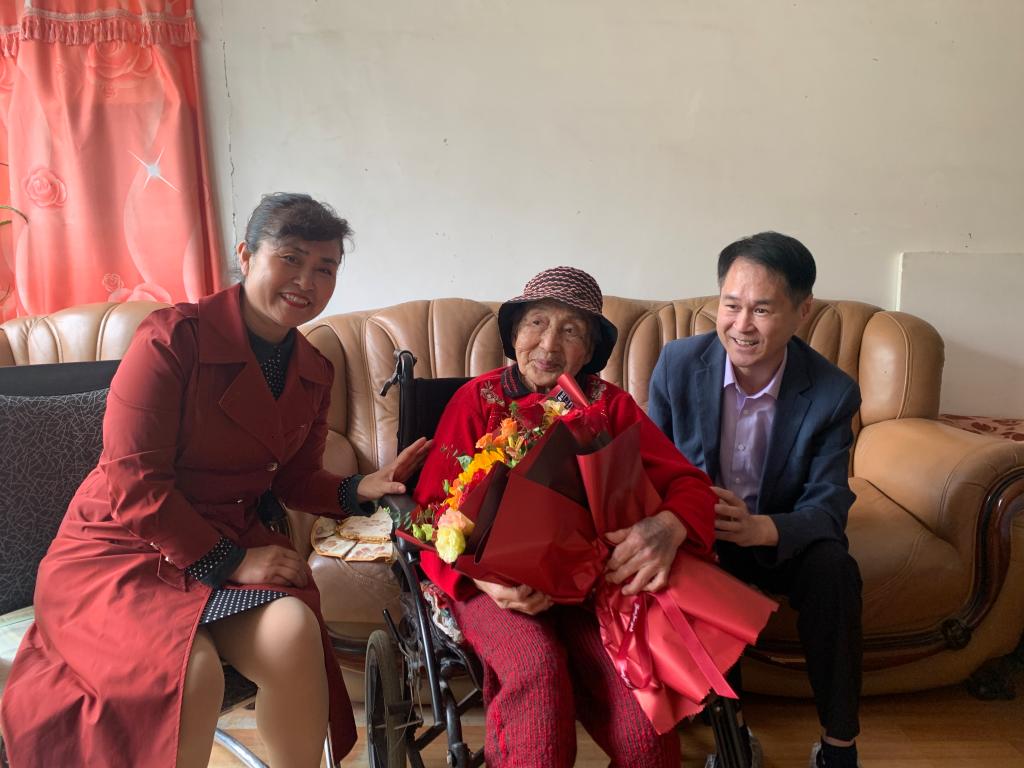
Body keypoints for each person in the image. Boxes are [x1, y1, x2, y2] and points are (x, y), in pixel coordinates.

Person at [0, 193, 430, 768]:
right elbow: (134, 481)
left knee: (293, 632)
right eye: (291, 258)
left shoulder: (313, 369)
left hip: (228, 539)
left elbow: (294, 479)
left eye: (325, 268)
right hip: (122, 549)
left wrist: (356, 490)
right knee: (191, 676)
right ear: (246, 255)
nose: (307, 281)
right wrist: (231, 561)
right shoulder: (171, 339)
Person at [414, 266, 717, 768]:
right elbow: (430, 513)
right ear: (515, 334)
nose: (549, 344)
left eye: (571, 330)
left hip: (588, 590)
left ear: (589, 349)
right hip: (491, 588)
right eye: (536, 323)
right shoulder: (476, 401)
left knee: (645, 729)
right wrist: (485, 581)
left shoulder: (610, 407)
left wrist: (667, 526)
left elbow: (689, 486)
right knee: (537, 668)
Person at [648, 232, 863, 768]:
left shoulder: (832, 391)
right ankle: (733, 736)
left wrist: (758, 528)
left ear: (802, 312)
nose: (742, 325)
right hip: (699, 534)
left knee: (836, 570)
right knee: (688, 569)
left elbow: (828, 504)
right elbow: (647, 469)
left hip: (777, 532)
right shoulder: (677, 364)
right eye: (731, 305)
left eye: (762, 309)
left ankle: (839, 744)